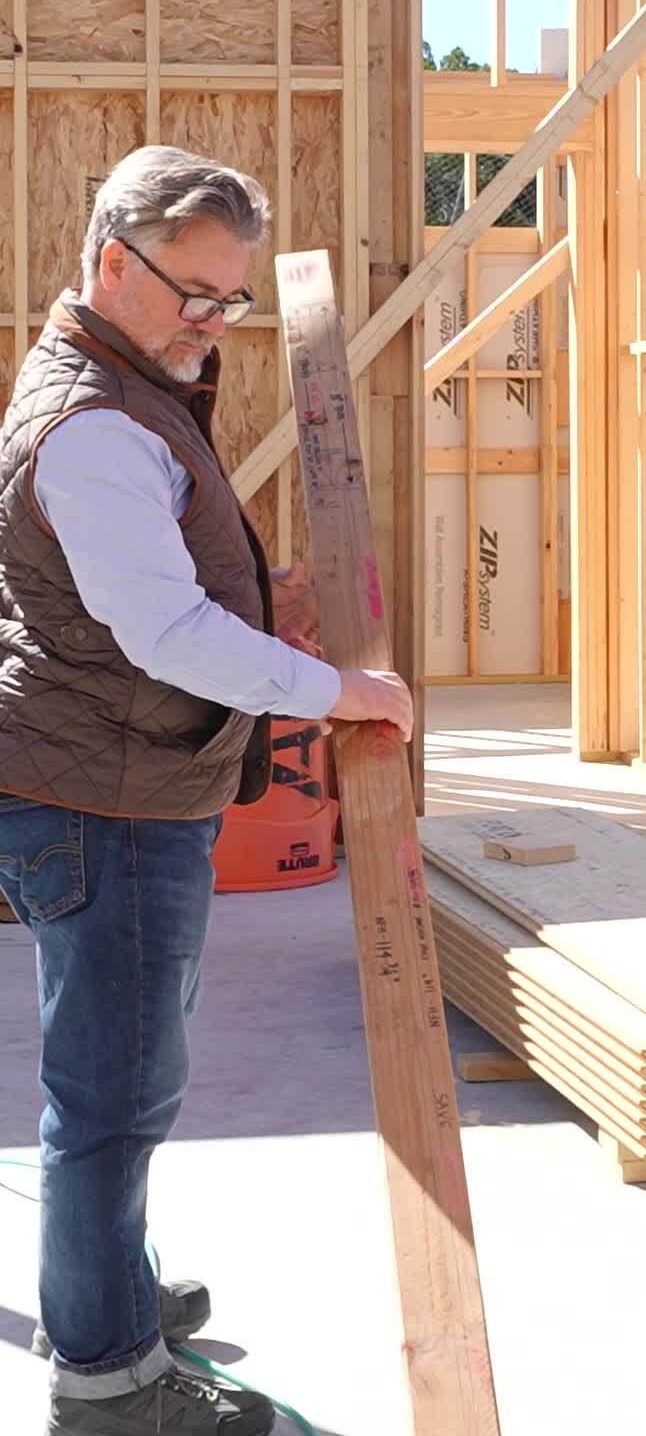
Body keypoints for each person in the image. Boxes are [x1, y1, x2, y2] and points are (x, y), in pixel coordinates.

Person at [0, 146, 413, 1436]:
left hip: (106, 778)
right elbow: (163, 634)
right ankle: (110, 1383)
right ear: (110, 263)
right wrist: (341, 693)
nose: (212, 321)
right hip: (102, 800)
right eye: (191, 293)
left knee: (114, 1079)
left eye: (231, 299)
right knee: (113, 1099)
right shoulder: (97, 425)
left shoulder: (123, 382)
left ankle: (106, 1284)